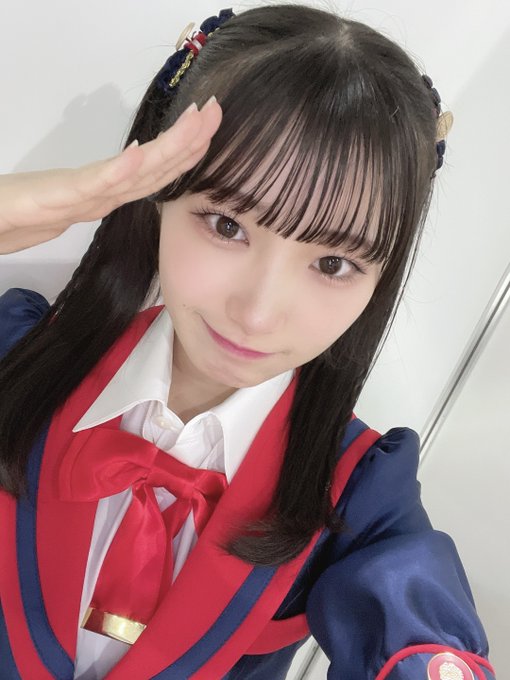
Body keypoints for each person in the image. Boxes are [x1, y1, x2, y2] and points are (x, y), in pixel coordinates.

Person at [0, 4, 496, 679]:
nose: (258, 315)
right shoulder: (17, 357)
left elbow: (419, 636)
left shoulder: (356, 491)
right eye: (227, 225)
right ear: (156, 190)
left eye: (333, 263)